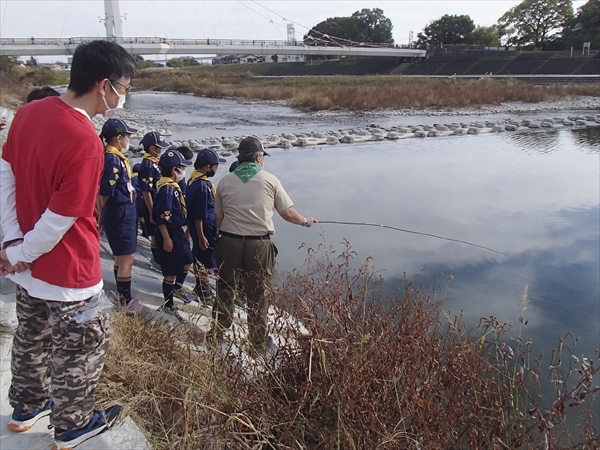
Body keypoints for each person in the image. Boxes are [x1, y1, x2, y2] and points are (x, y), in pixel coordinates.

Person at [0, 40, 135, 449]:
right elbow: (63, 217)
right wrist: (20, 252)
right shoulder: (84, 139)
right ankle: (73, 424)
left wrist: (12, 244)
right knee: (82, 346)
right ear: (104, 84)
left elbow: (6, 174)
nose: (121, 98)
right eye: (123, 88)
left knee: (32, 334)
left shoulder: (28, 113)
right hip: (70, 271)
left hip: (28, 268)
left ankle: (27, 407)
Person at [209, 137, 317, 354]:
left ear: (240, 159)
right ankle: (257, 344)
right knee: (258, 294)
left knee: (225, 287)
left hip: (228, 242)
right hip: (258, 245)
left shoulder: (224, 181)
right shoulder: (270, 180)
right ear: (259, 158)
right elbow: (287, 213)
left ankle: (217, 332)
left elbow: (218, 218)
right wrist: (305, 221)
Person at [98, 118, 138, 306]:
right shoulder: (112, 159)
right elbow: (106, 191)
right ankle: (125, 300)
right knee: (126, 258)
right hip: (119, 211)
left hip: (123, 210)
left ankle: (121, 295)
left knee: (121, 256)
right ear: (118, 137)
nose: (129, 140)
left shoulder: (117, 157)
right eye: (128, 136)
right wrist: (103, 212)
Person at [153, 148, 194, 318]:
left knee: (187, 260)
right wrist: (167, 239)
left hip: (177, 231)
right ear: (173, 170)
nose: (184, 171)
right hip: (169, 232)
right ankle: (168, 304)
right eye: (181, 168)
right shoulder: (167, 189)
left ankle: (177, 287)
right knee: (170, 270)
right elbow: (162, 217)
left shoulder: (173, 186)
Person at [186, 148, 226, 303]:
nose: (216, 170)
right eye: (215, 166)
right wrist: (202, 236)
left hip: (199, 226)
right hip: (204, 228)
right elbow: (199, 214)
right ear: (207, 167)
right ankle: (204, 290)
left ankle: (200, 286)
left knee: (198, 255)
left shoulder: (193, 180)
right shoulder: (202, 186)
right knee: (205, 259)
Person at [138, 131, 170, 267]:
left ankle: (160, 258)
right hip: (151, 204)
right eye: (159, 147)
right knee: (155, 234)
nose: (161, 150)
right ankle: (155, 260)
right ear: (152, 148)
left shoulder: (156, 162)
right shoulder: (147, 165)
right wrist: (151, 211)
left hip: (159, 203)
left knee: (160, 232)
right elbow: (146, 190)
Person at [131, 163, 148, 238]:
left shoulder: (130, 178)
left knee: (136, 217)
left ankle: (135, 232)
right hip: (142, 198)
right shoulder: (141, 177)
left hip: (134, 199)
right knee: (142, 216)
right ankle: (145, 232)